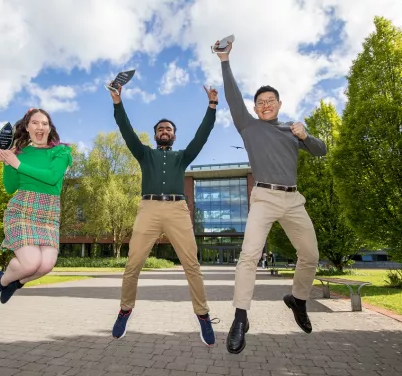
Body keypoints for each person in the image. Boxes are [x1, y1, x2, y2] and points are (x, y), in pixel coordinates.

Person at [214, 40, 327, 354]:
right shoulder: (248, 126)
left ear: (279, 103)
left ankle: (298, 300)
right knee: (249, 255)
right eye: (260, 101)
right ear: (255, 108)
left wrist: (306, 135)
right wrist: (225, 60)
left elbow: (322, 151)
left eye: (270, 100)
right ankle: (240, 317)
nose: (265, 104)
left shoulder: (292, 131)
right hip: (263, 197)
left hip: (293, 200)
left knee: (310, 255)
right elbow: (233, 97)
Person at [108, 81, 219, 346]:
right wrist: (117, 102)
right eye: (160, 129)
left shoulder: (183, 156)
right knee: (133, 263)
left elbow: (201, 136)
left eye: (168, 129)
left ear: (174, 135)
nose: (164, 131)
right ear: (156, 134)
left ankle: (202, 315)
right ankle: (125, 310)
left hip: (177, 209)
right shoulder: (145, 154)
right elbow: (126, 131)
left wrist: (212, 106)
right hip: (149, 209)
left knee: (191, 264)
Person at [0, 108, 72, 305]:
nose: (40, 127)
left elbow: (52, 178)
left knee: (45, 266)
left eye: (44, 123)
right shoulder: (19, 154)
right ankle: (1, 281)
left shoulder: (61, 151)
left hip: (49, 212)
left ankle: (14, 283)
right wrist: (7, 161)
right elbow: (10, 187)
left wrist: (17, 164)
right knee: (30, 262)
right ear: (27, 127)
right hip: (22, 209)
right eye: (35, 123)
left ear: (50, 128)